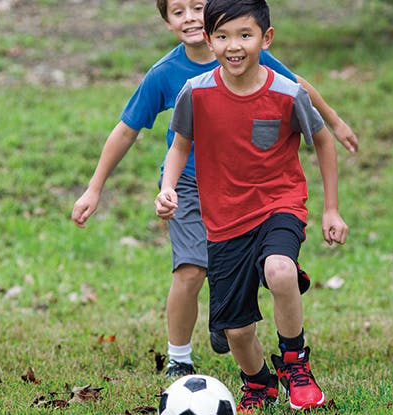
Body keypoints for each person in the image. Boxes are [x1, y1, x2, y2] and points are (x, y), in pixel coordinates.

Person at [70, 0, 358, 378]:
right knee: (190, 269)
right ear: (168, 21)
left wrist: (334, 123)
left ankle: (243, 304)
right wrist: (95, 188)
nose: (188, 17)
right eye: (177, 11)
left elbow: (298, 89)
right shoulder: (169, 75)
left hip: (249, 185)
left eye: (197, 7)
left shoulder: (245, 52)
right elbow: (127, 128)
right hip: (188, 185)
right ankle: (179, 356)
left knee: (262, 264)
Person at [155, 0, 348, 410]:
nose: (234, 46)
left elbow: (324, 141)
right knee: (236, 333)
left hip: (280, 204)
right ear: (209, 40)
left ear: (267, 38)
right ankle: (259, 381)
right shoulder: (196, 92)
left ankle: (296, 363)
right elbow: (180, 145)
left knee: (280, 270)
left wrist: (331, 209)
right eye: (222, 37)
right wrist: (168, 187)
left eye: (245, 35)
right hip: (224, 222)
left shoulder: (287, 92)